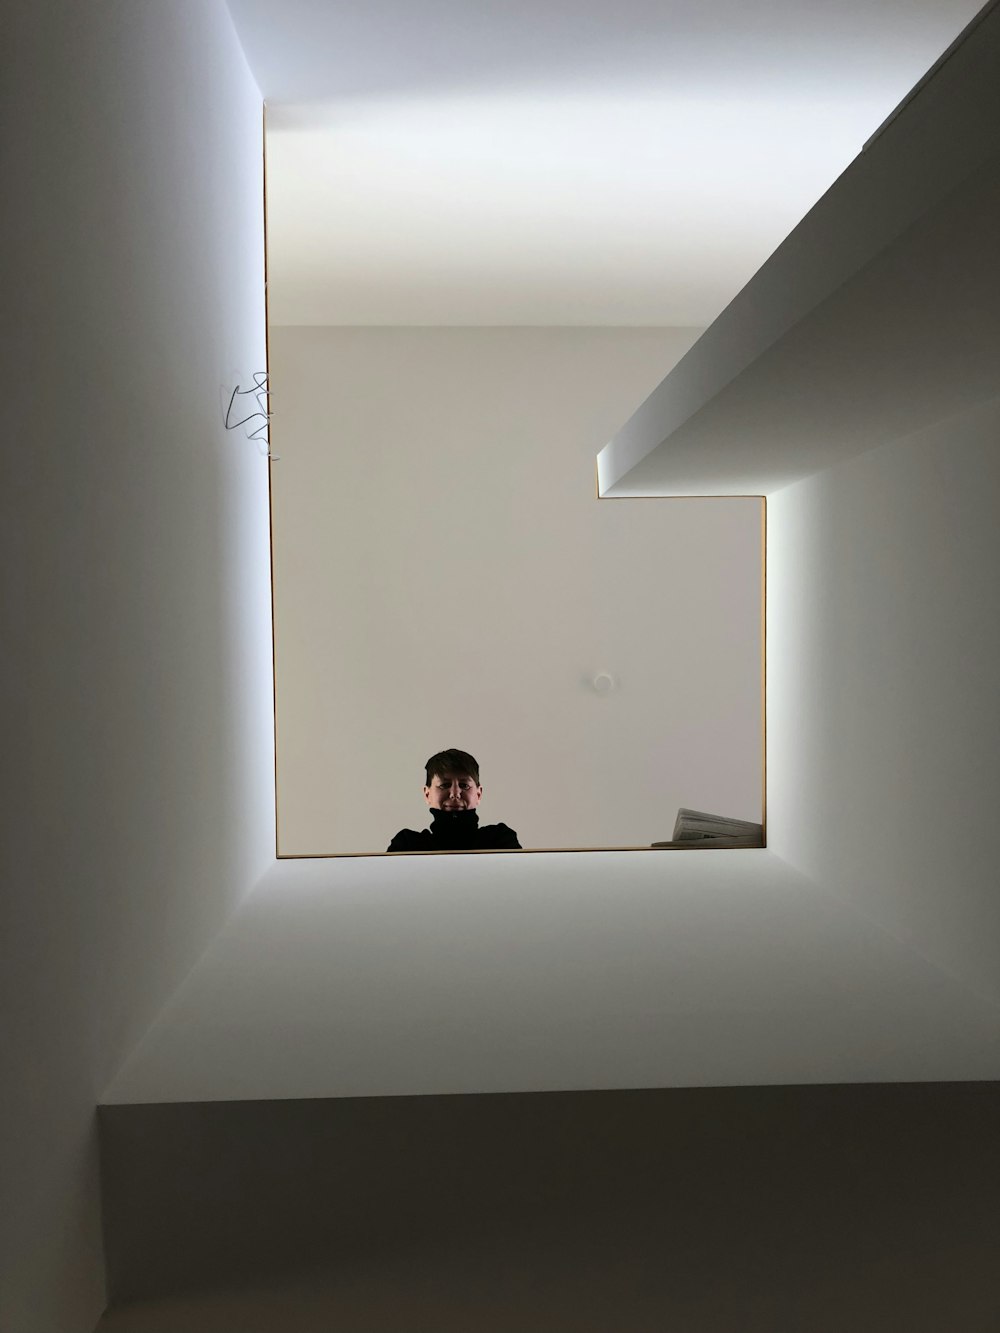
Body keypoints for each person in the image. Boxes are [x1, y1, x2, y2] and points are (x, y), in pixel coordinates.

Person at [387, 748, 521, 852]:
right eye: (444, 785)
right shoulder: (407, 844)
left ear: (478, 794)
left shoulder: (500, 839)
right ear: (427, 794)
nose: (455, 794)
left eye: (464, 785)